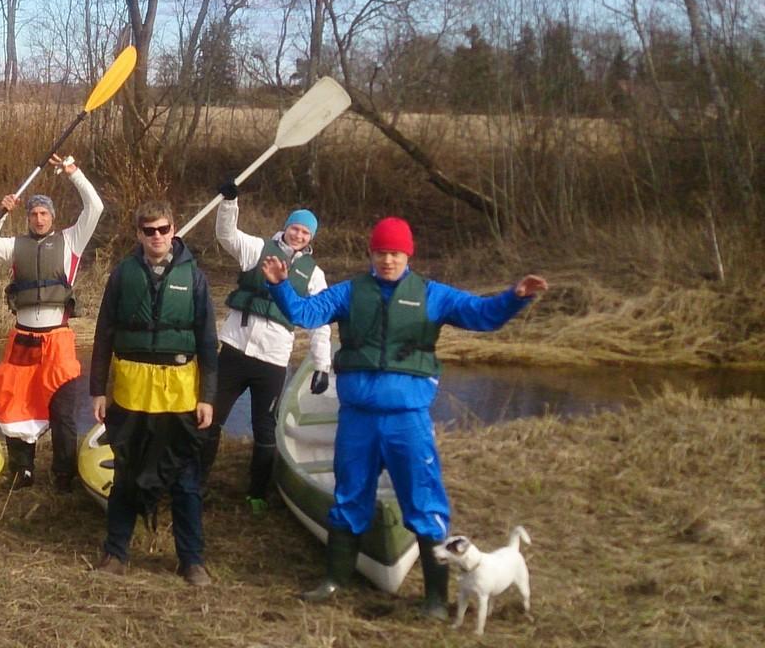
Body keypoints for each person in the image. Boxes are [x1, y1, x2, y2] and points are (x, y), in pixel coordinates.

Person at [265, 216, 548, 620]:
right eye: (380, 253)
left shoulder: (432, 295)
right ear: (371, 254)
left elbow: (481, 314)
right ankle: (334, 580)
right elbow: (308, 313)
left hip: (407, 420)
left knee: (425, 502)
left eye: (395, 253)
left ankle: (434, 598)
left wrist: (515, 297)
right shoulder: (349, 293)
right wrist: (279, 285)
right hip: (358, 418)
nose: (387, 260)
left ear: (407, 255)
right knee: (349, 496)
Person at [88, 200, 218, 586]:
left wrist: (207, 395)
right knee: (127, 473)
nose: (157, 236)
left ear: (174, 229)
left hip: (179, 392)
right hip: (131, 391)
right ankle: (116, 553)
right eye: (149, 231)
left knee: (184, 477)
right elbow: (104, 335)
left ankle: (191, 560)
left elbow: (208, 341)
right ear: (138, 234)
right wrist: (98, 389)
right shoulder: (122, 274)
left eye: (163, 229)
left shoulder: (194, 278)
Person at [0, 154, 104, 491]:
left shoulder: (71, 241)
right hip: (23, 338)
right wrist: (2, 212)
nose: (39, 218)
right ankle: (23, 470)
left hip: (58, 339)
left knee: (63, 411)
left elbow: (95, 208)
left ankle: (63, 475)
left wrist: (74, 173)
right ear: (28, 217)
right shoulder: (16, 246)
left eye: (44, 213)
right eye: (33, 213)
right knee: (17, 405)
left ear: (53, 217)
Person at [199, 183, 333, 512]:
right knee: (209, 418)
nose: (298, 235)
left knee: (264, 428)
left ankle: (257, 492)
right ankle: (195, 481)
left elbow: (320, 321)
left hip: (272, 361)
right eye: (295, 228)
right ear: (286, 227)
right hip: (233, 350)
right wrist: (230, 202)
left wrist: (321, 366)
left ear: (311, 238)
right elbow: (226, 234)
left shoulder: (314, 275)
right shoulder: (256, 249)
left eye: (305, 232)